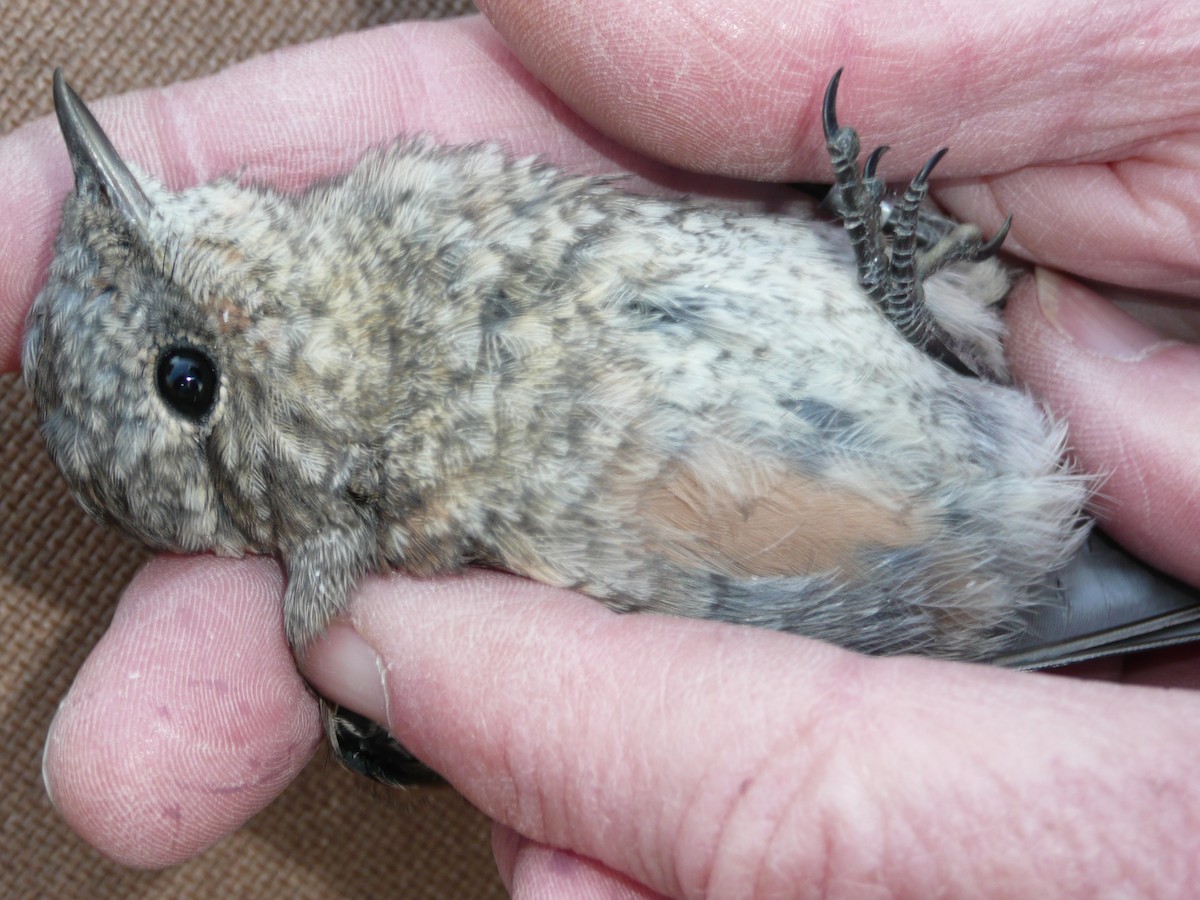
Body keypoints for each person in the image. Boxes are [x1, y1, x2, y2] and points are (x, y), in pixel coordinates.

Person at [5, 5, 1198, 896]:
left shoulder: (404, 210)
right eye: (186, 373)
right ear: (228, 428)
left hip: (1012, 342)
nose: (170, 222)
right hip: (997, 540)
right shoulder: (377, 531)